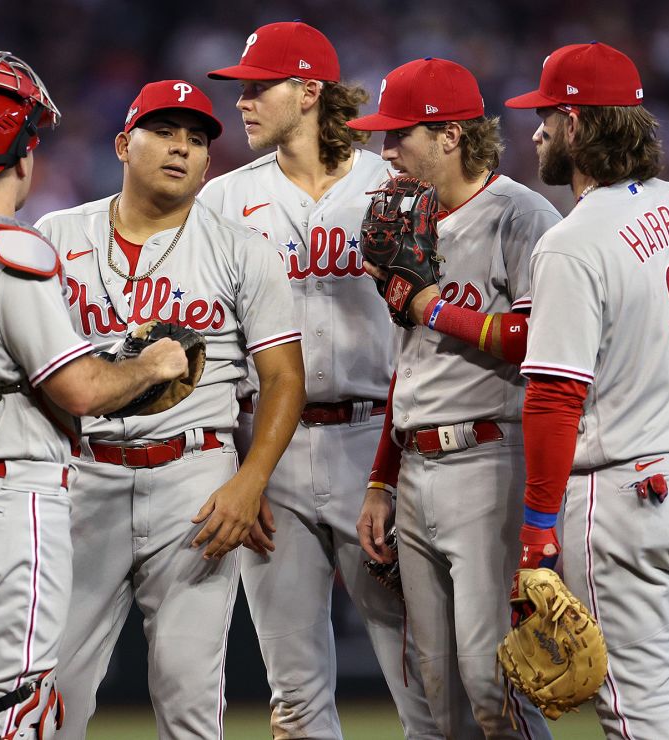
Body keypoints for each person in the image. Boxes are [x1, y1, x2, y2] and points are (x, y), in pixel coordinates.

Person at [0, 52, 189, 740]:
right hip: (5, 499)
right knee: (12, 720)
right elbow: (78, 391)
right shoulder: (13, 253)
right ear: (21, 156)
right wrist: (151, 365)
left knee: (8, 709)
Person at [34, 79, 305, 740]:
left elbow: (284, 379)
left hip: (194, 481)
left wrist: (250, 480)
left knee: (189, 699)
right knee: (50, 694)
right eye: (165, 132)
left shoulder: (241, 248)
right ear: (125, 144)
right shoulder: (54, 235)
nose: (182, 148)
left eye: (196, 139)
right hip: (82, 476)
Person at [505, 41, 669, 739]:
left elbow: (555, 395)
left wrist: (535, 534)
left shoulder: (572, 240)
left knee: (637, 715)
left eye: (548, 117)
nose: (536, 132)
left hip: (627, 498)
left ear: (579, 127)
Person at [199, 21, 440, 740]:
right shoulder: (223, 201)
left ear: (309, 92)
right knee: (295, 696)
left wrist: (396, 470)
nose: (240, 103)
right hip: (270, 453)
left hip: (379, 446)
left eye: (255, 88)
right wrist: (242, 469)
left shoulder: (390, 186)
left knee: (424, 681)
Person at [348, 58, 560, 739]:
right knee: (437, 698)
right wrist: (381, 477)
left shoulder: (522, 216)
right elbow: (407, 368)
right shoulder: (408, 221)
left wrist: (435, 309)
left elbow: (542, 341)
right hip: (415, 466)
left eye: (398, 134)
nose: (385, 151)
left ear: (450, 136)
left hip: (489, 463)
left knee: (493, 685)